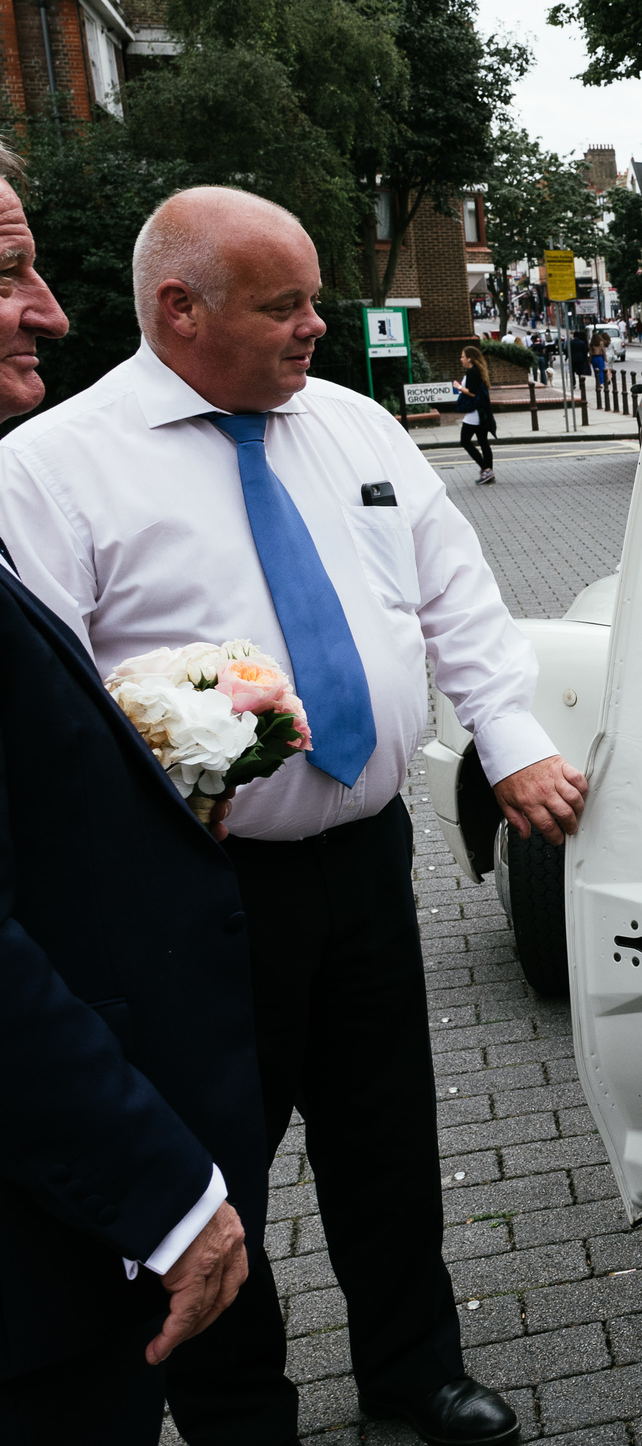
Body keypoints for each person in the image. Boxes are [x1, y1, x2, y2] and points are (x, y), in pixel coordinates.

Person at [0, 186, 592, 1446]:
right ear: (180, 310)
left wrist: (514, 741)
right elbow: (46, 704)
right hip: (196, 896)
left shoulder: (358, 428)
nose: (317, 326)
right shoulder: (52, 467)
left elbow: (461, 600)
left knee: (388, 1132)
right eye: (285, 306)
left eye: (315, 298)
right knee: (219, 1156)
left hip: (372, 863)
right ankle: (237, 1411)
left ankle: (415, 1367)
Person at [0, 144, 261, 1444]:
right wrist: (157, 1189)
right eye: (9, 271)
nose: (49, 304)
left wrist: (171, 745)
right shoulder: (51, 462)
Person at [456, 344, 496, 486]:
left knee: (465, 441)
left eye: (463, 356)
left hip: (475, 413)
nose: (461, 359)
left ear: (469, 358)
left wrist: (459, 387)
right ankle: (488, 472)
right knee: (483, 441)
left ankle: (486, 469)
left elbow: (472, 392)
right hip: (481, 411)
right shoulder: (478, 370)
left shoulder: (472, 372)